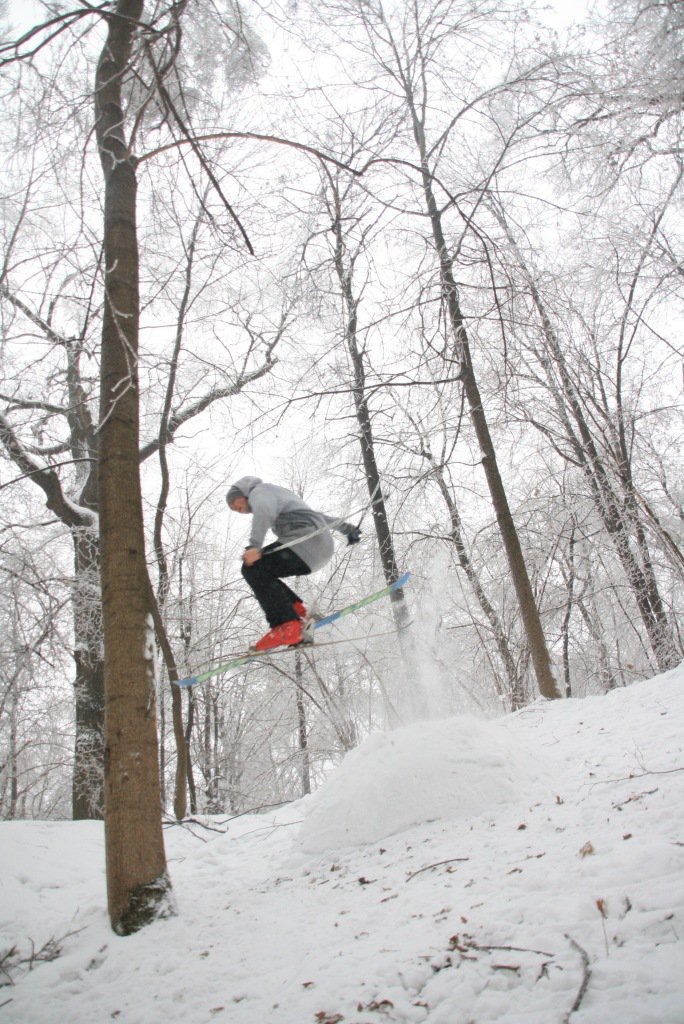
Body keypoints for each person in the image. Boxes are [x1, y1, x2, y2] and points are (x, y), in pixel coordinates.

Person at [227, 475, 361, 651]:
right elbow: (317, 516)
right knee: (263, 569)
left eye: (234, 504)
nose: (236, 509)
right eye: (234, 510)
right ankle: (297, 614)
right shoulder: (279, 495)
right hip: (319, 550)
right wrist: (347, 528)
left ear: (242, 493)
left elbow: (264, 511)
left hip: (304, 543)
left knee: (252, 567)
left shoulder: (259, 492)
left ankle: (288, 625)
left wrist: (254, 546)